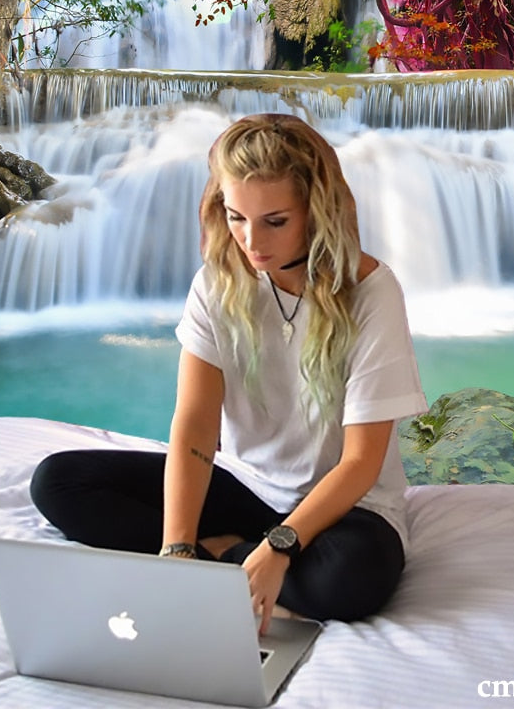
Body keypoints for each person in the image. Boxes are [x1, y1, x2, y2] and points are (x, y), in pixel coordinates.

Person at [31, 113, 428, 628]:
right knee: (58, 483)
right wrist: (175, 548)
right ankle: (218, 555)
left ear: (317, 209)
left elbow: (360, 463)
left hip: (344, 510)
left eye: (275, 221)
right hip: (248, 488)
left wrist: (280, 546)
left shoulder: (373, 293)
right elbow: (195, 425)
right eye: (236, 216)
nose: (250, 240)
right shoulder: (216, 284)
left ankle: (227, 556)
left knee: (350, 580)